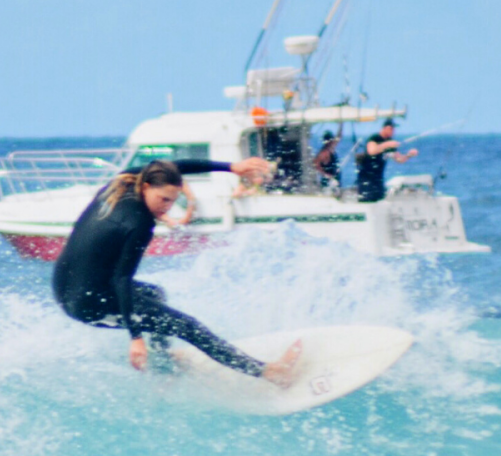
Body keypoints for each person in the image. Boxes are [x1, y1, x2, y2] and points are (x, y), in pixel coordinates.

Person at [53, 157, 300, 385]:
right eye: (163, 200)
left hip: (65, 284)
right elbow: (122, 279)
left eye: (173, 200)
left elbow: (174, 166)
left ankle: (162, 367)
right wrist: (136, 337)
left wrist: (231, 167)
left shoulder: (123, 181)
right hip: (87, 302)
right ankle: (271, 373)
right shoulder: (139, 222)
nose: (167, 208)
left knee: (156, 294)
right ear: (147, 186)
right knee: (188, 326)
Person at [353, 119, 415, 203]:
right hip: (366, 179)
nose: (393, 132)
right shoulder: (374, 138)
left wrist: (409, 155)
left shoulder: (390, 142)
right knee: (367, 201)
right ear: (385, 128)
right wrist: (387, 145)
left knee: (380, 200)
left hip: (378, 179)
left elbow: (399, 159)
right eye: (391, 129)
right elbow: (371, 151)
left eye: (393, 129)